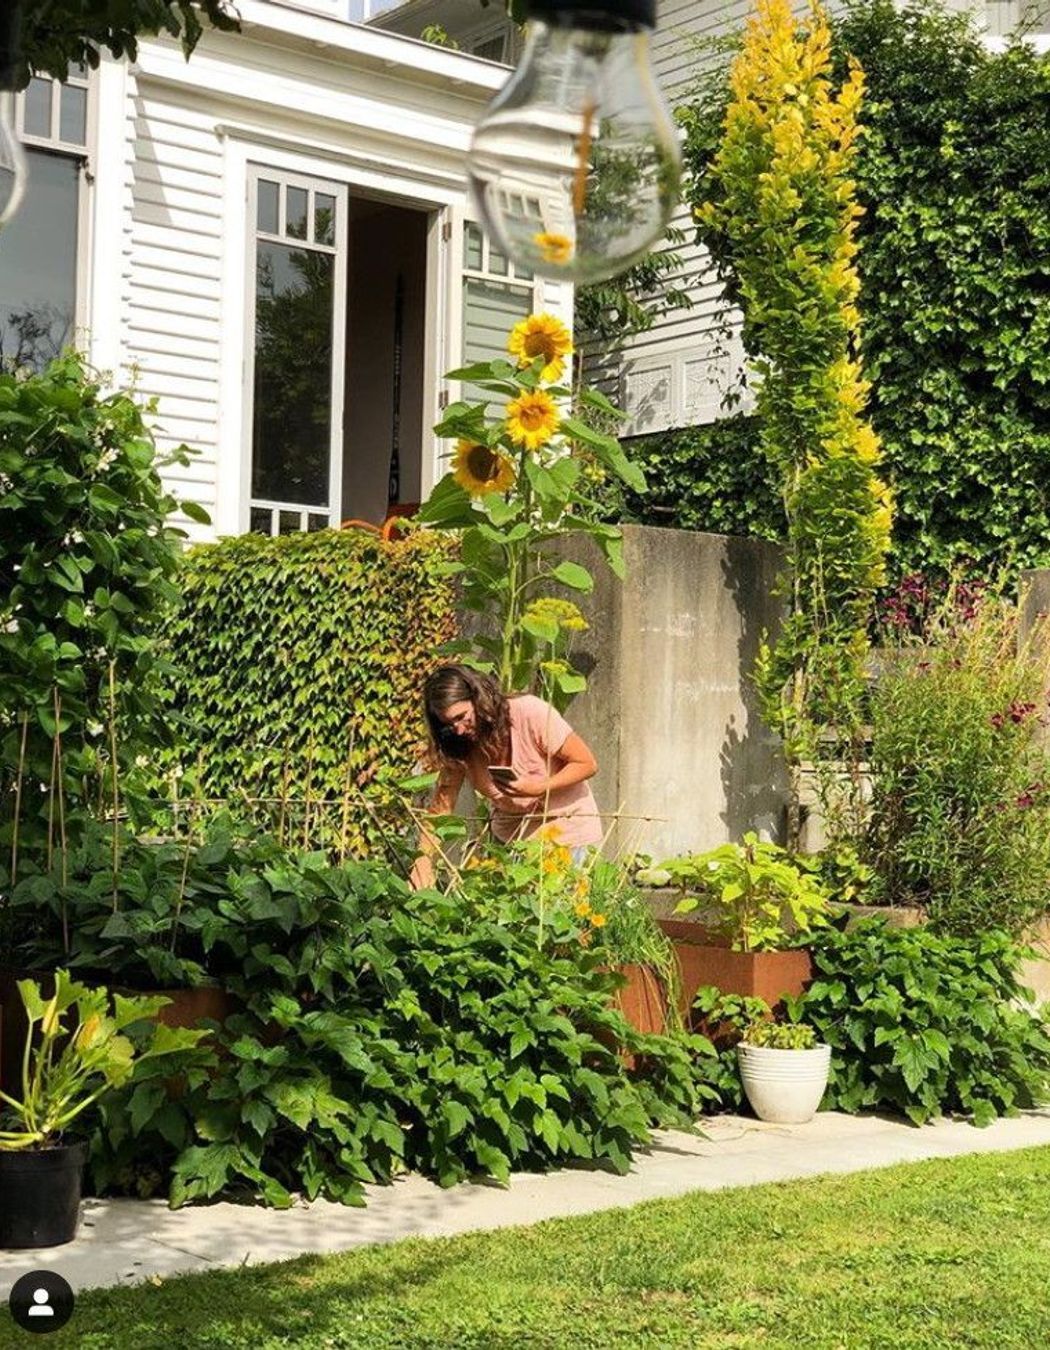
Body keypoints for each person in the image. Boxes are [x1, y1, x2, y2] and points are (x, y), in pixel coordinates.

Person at [409, 663, 601, 889]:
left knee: (561, 917)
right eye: (449, 724)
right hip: (512, 844)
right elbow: (440, 809)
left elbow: (587, 763)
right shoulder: (456, 743)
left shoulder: (529, 713)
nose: (458, 729)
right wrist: (422, 865)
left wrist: (539, 787)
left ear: (478, 699)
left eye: (462, 717)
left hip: (567, 836)